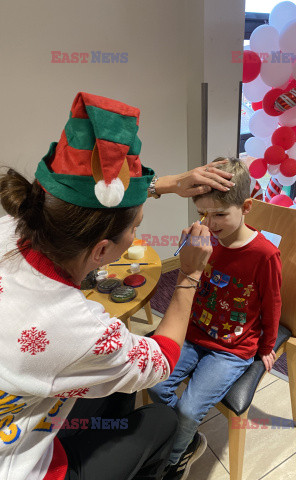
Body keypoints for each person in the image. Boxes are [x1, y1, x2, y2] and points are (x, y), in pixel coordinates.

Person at [0, 92, 236, 480]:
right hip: (25, 468)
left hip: (28, 404)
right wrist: (189, 276)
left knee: (119, 394)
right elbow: (159, 362)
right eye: (137, 226)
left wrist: (171, 183)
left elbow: (87, 198)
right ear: (102, 250)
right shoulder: (77, 328)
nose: (138, 233)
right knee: (163, 419)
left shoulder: (15, 227)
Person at [149, 157, 282, 480]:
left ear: (246, 206)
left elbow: (273, 302)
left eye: (220, 214)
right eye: (203, 214)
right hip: (195, 333)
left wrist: (266, 346)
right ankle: (181, 433)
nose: (210, 223)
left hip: (232, 348)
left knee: (190, 409)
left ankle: (175, 458)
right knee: (153, 381)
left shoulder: (264, 255)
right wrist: (187, 253)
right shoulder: (203, 240)